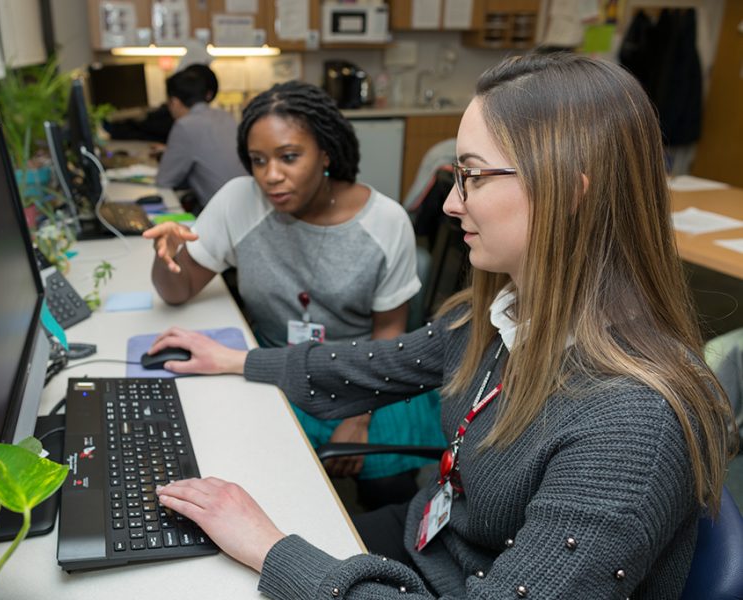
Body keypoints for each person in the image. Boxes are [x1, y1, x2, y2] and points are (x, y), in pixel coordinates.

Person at [150, 53, 738, 599]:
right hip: (431, 546)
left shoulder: (631, 428)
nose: (453, 204)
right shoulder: (509, 317)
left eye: (475, 177)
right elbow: (380, 361)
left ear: (569, 195)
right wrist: (235, 360)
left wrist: (270, 549)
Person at [144, 80, 445, 509]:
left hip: (366, 375)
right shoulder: (238, 201)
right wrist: (166, 257)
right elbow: (177, 292)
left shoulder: (385, 222)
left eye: (289, 157)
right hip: (275, 367)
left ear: (325, 152)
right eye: (257, 160)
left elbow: (391, 331)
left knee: (387, 492)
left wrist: (357, 419)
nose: (270, 175)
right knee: (259, 483)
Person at [155, 64, 246, 206]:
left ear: (174, 102)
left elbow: (164, 180)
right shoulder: (226, 116)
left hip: (224, 214)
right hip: (247, 204)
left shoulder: (184, 125)